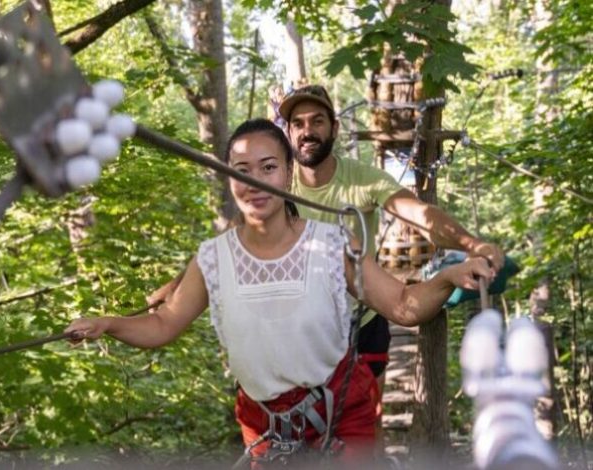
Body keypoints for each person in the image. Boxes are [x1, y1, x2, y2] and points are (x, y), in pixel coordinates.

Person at [66, 119, 494, 466]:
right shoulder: (212, 258)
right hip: (266, 426)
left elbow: (401, 305)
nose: (254, 182)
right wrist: (108, 324)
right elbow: (163, 324)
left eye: (268, 167)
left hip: (342, 414)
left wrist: (447, 277)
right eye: (241, 170)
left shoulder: (330, 245)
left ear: (289, 174)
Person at [277, 84, 505, 382]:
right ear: (289, 132)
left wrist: (473, 244)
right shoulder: (277, 187)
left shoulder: (360, 179)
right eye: (298, 123)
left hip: (363, 322)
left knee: (367, 423)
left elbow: (419, 215)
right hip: (302, 329)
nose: (307, 131)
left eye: (317, 121)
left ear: (334, 127)